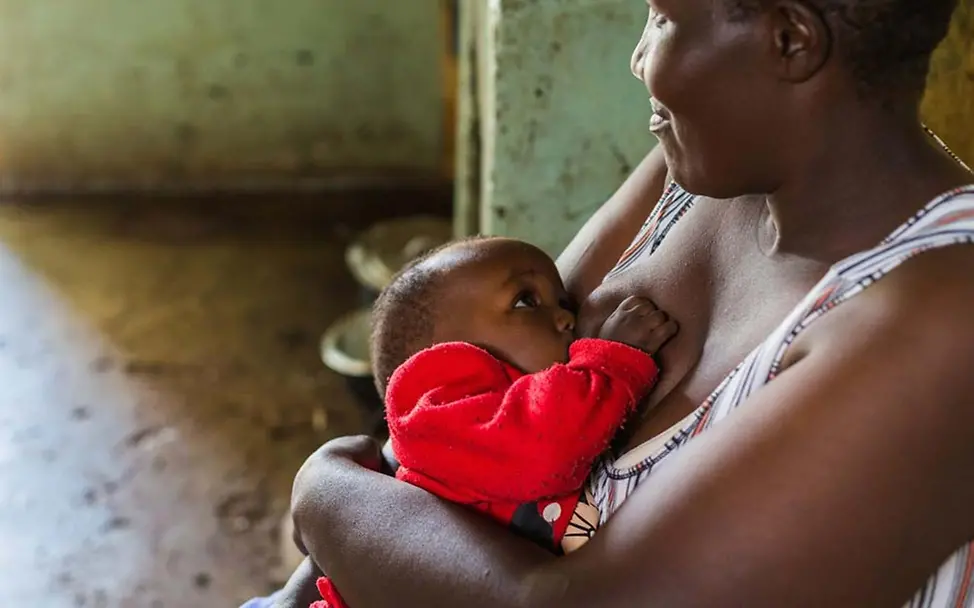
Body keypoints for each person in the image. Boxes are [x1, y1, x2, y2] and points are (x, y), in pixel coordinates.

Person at [275, 0, 974, 605]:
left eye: (663, 18)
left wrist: (326, 498)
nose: (639, 60)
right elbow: (447, 432)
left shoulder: (939, 318)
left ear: (790, 40)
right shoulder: (708, 166)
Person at [304, 236, 677, 607]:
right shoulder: (442, 410)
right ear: (443, 355)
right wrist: (610, 361)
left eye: (563, 303)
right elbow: (543, 447)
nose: (567, 319)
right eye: (525, 301)